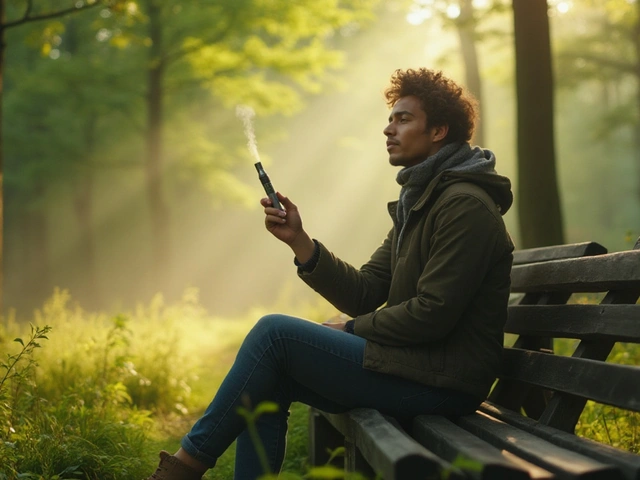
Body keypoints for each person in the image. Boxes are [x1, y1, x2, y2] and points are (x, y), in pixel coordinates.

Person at [145, 68, 514, 480]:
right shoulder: (422, 201)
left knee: (276, 334)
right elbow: (364, 290)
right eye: (390, 118)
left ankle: (179, 472)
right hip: (421, 367)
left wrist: (352, 329)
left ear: (439, 131)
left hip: (445, 382)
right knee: (271, 380)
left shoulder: (464, 205)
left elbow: (433, 312)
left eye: (403, 119)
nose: (388, 129)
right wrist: (300, 241)